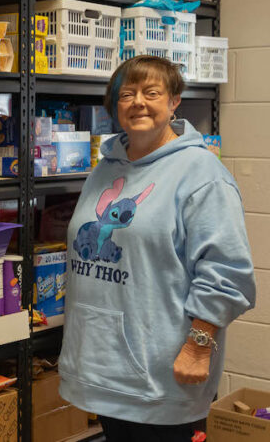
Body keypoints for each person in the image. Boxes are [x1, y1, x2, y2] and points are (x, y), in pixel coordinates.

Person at [59, 55, 256, 441]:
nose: (138, 102)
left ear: (174, 101)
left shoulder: (202, 174)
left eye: (151, 92)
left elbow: (227, 272)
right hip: (106, 370)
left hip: (164, 375)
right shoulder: (105, 169)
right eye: (126, 94)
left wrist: (199, 347)